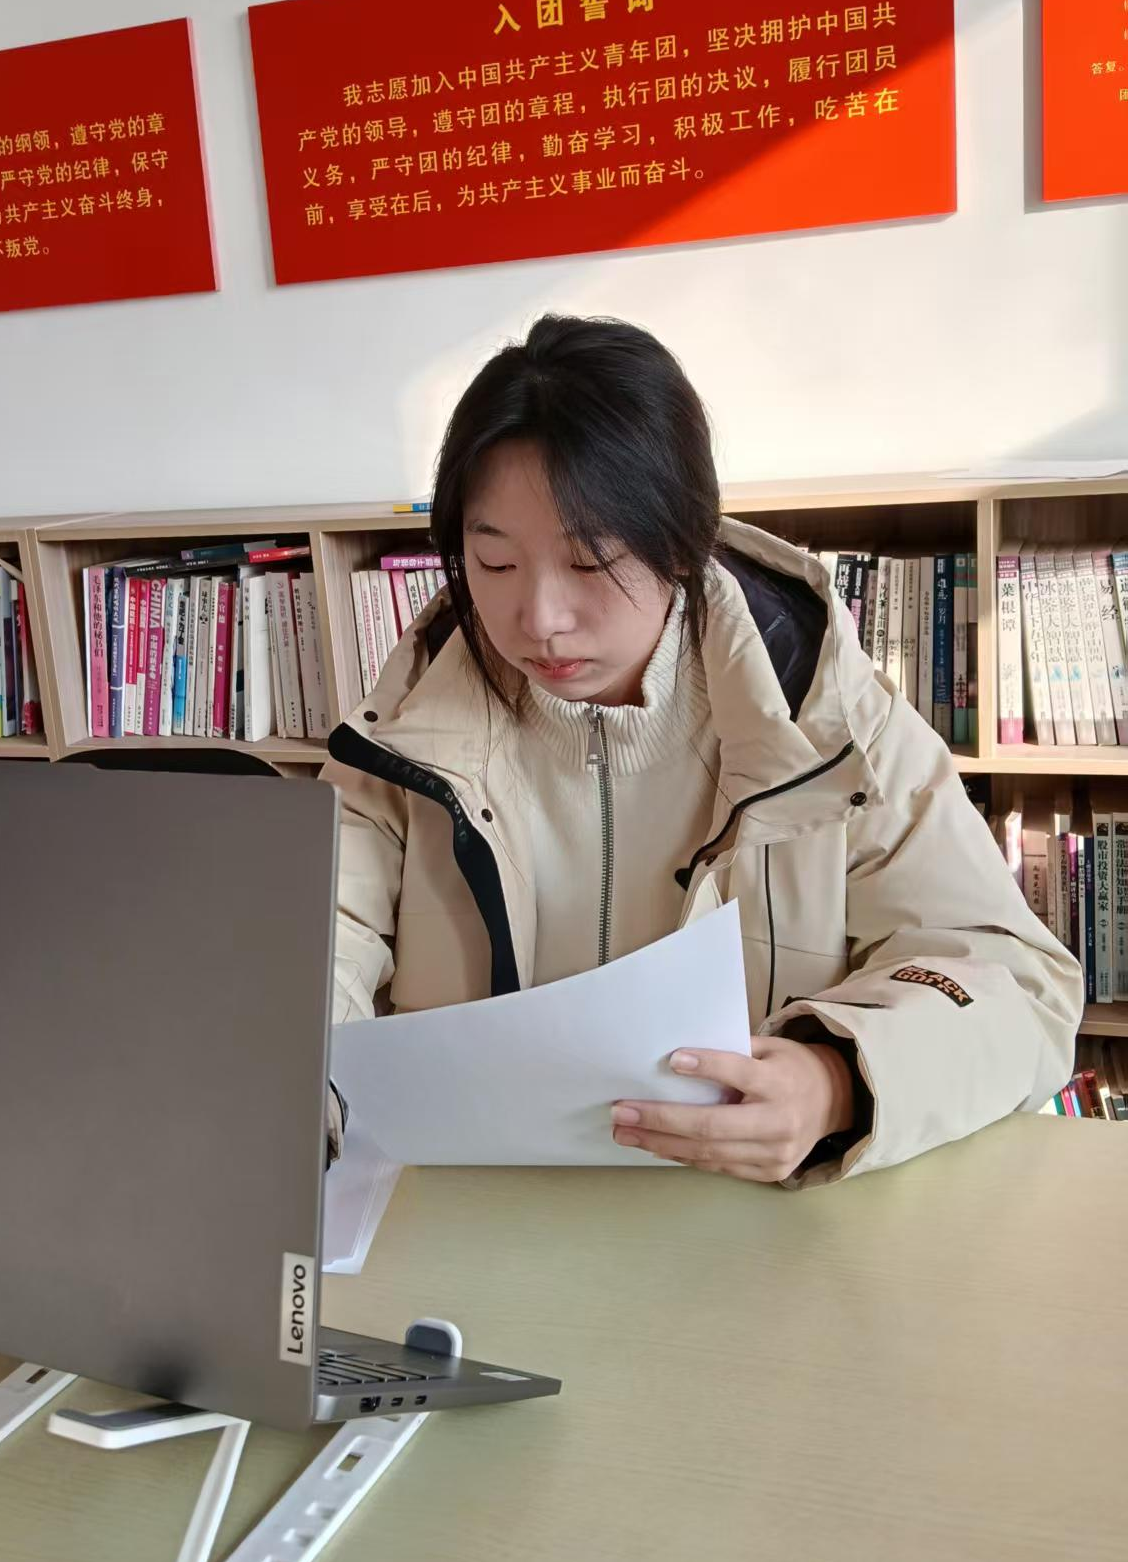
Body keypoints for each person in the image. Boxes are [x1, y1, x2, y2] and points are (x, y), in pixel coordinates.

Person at [322, 314, 1082, 1187]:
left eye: (590, 561)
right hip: (472, 1208)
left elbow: (1018, 987)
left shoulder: (830, 721)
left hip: (742, 1217)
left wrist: (837, 1079)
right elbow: (312, 944)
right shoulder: (402, 733)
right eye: (493, 566)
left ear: (682, 542)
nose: (539, 618)